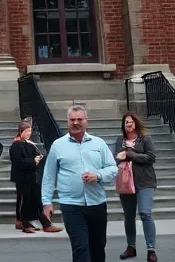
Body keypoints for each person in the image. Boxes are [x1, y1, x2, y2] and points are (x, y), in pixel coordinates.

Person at [42, 104, 118, 262]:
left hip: (96, 202)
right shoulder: (58, 145)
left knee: (98, 247)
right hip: (71, 204)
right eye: (72, 120)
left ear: (86, 121)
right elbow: (49, 175)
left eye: (79, 119)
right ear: (67, 121)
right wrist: (46, 202)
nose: (75, 123)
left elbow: (112, 168)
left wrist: (98, 175)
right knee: (80, 246)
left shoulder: (99, 143)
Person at [113, 113, 157, 261]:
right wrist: (120, 157)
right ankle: (131, 247)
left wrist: (129, 154)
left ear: (136, 123)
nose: (129, 124)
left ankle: (151, 249)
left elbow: (151, 157)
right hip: (125, 181)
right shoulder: (120, 140)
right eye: (126, 122)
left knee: (145, 213)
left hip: (144, 181)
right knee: (129, 216)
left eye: (131, 122)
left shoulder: (145, 139)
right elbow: (116, 157)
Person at [10, 120, 61, 234]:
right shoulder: (16, 146)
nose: (28, 133)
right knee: (25, 201)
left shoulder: (29, 144)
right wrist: (33, 162)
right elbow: (18, 163)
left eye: (30, 131)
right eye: (26, 131)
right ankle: (28, 223)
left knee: (36, 200)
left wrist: (38, 159)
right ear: (21, 131)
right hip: (22, 178)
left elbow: (36, 155)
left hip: (32, 177)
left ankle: (41, 223)